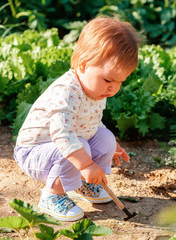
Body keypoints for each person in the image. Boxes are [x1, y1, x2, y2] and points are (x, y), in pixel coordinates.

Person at [14, 15, 141, 221]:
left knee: (105, 138)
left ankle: (81, 184)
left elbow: (90, 119)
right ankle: (52, 195)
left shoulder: (96, 89)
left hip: (65, 143)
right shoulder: (67, 91)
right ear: (83, 65)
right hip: (34, 153)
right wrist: (86, 165)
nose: (113, 88)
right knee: (79, 146)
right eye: (108, 79)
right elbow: (62, 134)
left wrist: (112, 144)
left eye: (120, 82)